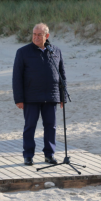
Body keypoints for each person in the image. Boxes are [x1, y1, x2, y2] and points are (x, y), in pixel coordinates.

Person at [13, 23, 66, 166]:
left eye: (39, 35)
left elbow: (62, 75)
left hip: (51, 96)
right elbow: (17, 77)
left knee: (51, 126)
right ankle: (28, 155)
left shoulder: (55, 51)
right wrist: (19, 99)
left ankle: (49, 155)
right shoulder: (23, 52)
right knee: (30, 126)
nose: (36, 37)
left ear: (46, 36)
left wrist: (62, 97)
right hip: (31, 97)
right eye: (34, 34)